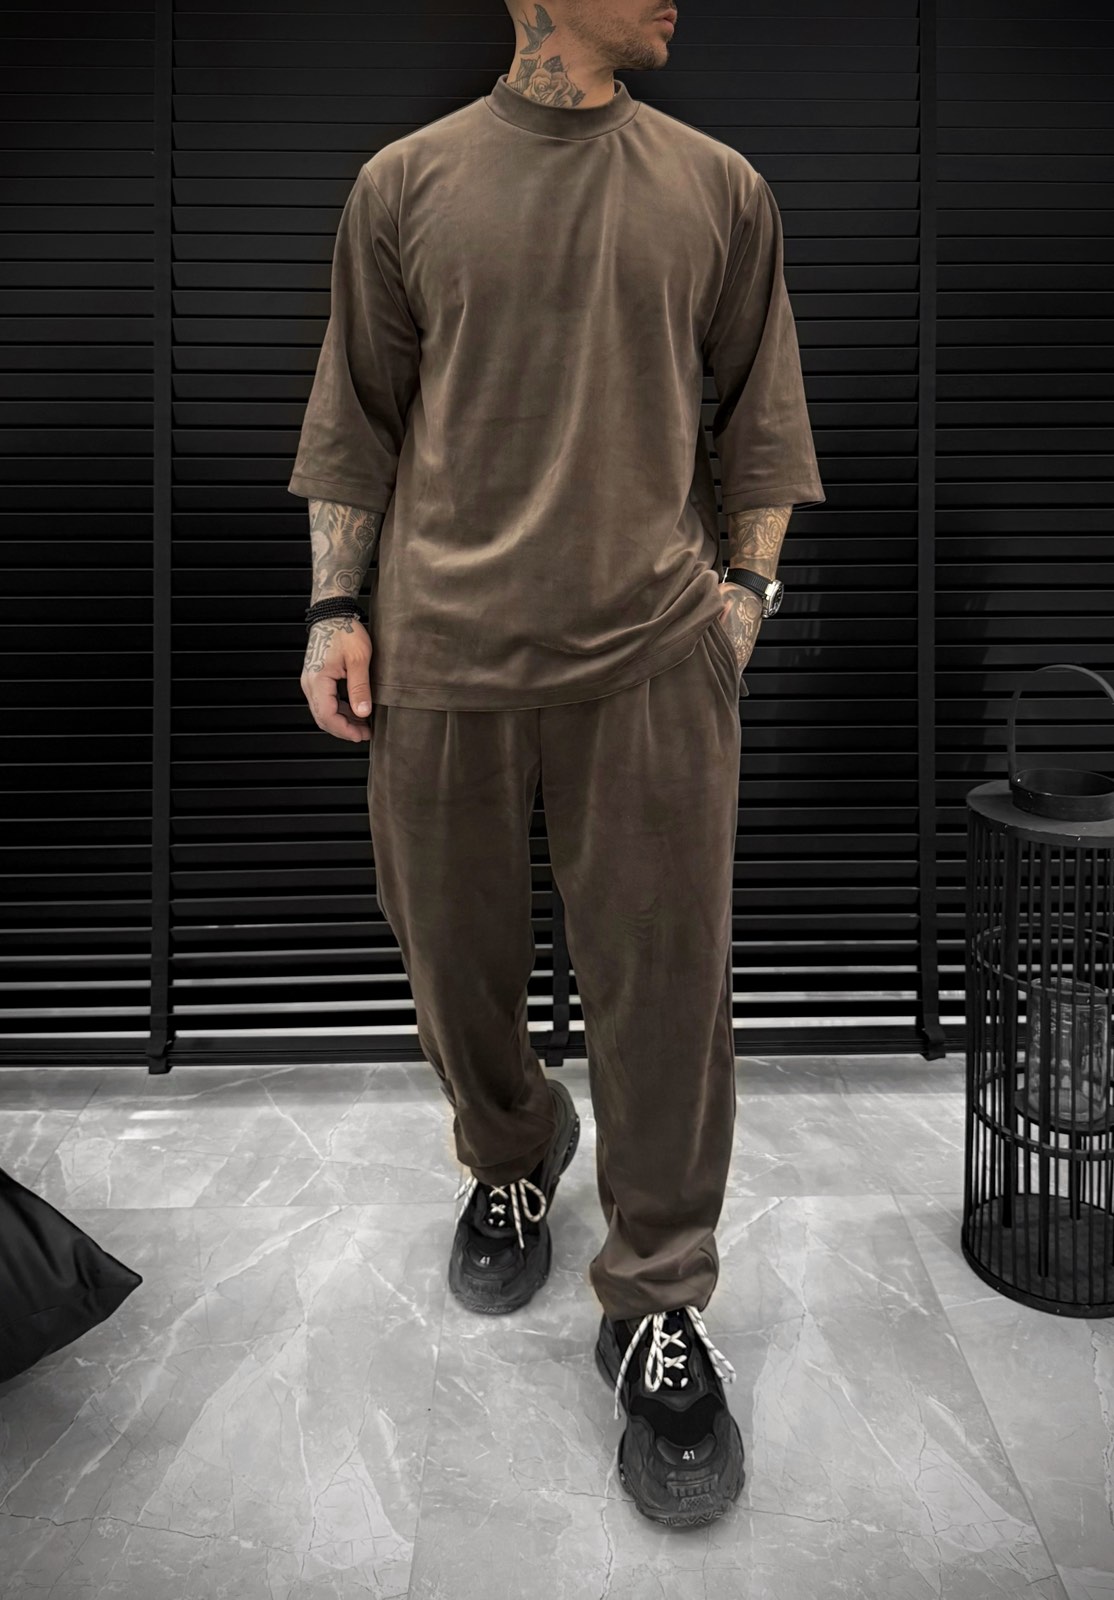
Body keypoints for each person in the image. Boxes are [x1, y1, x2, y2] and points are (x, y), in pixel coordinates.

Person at [288, 0, 824, 1529]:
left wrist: (743, 599)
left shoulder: (718, 186)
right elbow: (356, 422)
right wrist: (333, 606)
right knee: (449, 960)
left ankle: (656, 1296)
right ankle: (515, 1149)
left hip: (651, 653)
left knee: (666, 991)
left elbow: (763, 420)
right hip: (439, 651)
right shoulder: (403, 184)